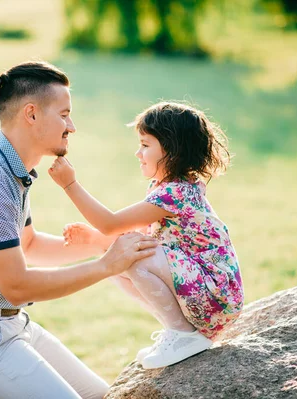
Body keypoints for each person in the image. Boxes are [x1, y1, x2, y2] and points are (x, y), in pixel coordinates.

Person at [0, 61, 158, 399]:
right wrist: (107, 266)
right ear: (31, 114)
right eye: (64, 114)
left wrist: (102, 244)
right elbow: (16, 285)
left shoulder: (11, 170)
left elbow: (28, 245)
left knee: (102, 395)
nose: (71, 126)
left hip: (8, 324)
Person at [48, 101, 244, 369]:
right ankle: (176, 331)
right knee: (118, 263)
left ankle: (183, 334)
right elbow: (132, 237)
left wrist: (69, 184)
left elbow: (111, 224)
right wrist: (97, 241)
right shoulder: (167, 188)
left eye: (145, 145)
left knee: (133, 257)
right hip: (207, 293)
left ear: (172, 151)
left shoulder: (174, 194)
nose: (138, 153)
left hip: (215, 294)